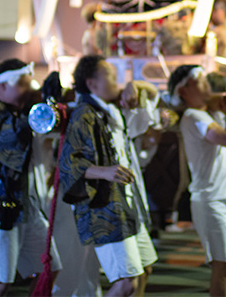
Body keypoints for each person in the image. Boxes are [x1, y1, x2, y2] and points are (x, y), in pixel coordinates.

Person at [59, 55, 157, 297]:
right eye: (111, 76)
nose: (118, 81)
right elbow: (68, 163)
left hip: (124, 203)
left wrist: (134, 85)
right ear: (92, 83)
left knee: (144, 270)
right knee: (126, 283)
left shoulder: (110, 109)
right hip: (104, 207)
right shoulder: (84, 114)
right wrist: (105, 171)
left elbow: (153, 93)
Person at [0, 59, 61, 297]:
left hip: (24, 207)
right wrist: (44, 103)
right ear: (0, 87)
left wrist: (48, 103)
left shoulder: (15, 111)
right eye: (21, 84)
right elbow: (13, 140)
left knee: (49, 269)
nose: (28, 89)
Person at [169, 64, 226, 297]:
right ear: (183, 91)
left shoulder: (208, 110)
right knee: (223, 266)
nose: (205, 82)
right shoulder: (192, 115)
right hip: (210, 201)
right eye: (198, 80)